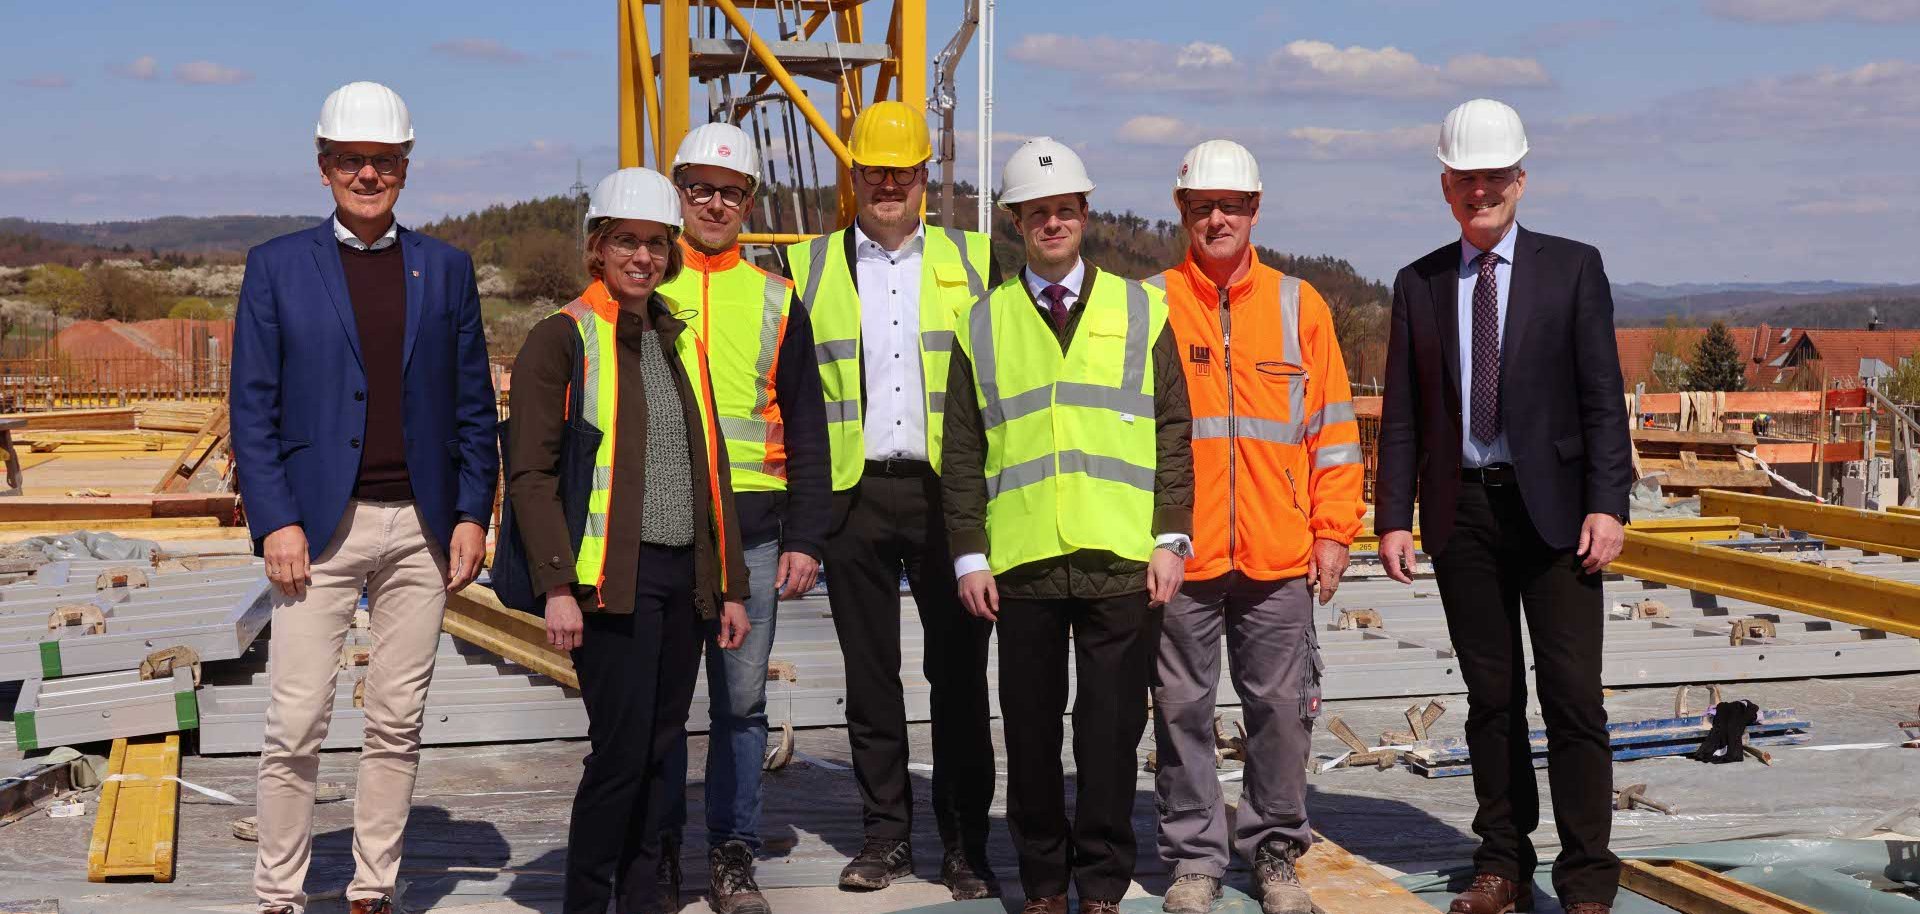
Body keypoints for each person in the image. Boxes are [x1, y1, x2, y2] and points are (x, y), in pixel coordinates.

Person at [231, 80, 498, 914]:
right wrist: (275, 520)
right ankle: (279, 894)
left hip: (420, 528)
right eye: (351, 160)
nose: (368, 175)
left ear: (406, 167)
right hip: (317, 531)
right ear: (324, 166)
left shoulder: (445, 269)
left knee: (396, 720)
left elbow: (472, 406)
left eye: (384, 160)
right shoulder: (277, 268)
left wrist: (472, 513)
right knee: (295, 722)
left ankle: (372, 888)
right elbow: (252, 407)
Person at [1376, 99, 1632, 914]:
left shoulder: (1573, 269)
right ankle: (1502, 864)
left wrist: (1608, 502)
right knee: (1492, 700)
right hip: (1464, 515)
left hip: (1557, 517)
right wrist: (1393, 516)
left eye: (1494, 177)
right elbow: (1403, 413)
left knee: (1573, 698)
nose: (1480, 191)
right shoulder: (1418, 284)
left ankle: (1587, 878)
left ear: (1521, 179)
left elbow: (1603, 398)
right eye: (1466, 179)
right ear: (1445, 188)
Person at [943, 137, 1194, 914]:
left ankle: (1102, 884)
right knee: (1030, 733)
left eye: (1063, 209)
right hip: (1022, 562)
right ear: (1016, 223)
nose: (1051, 223)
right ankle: (1045, 885)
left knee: (1111, 734)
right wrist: (968, 554)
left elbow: (1173, 431)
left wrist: (1170, 537)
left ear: (1084, 214)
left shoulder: (1141, 309)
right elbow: (962, 450)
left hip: (1121, 555)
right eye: (1036, 212)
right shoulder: (982, 324)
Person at [505, 167, 751, 914]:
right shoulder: (562, 339)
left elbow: (713, 469)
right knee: (620, 755)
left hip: (683, 579)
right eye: (626, 242)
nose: (642, 256)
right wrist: (556, 585)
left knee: (663, 750)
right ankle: (587, 903)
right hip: (610, 583)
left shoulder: (678, 338)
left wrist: (730, 585)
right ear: (598, 248)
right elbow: (530, 474)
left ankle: (643, 899)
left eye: (655, 242)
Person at [782, 100, 1000, 899]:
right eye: (874, 172)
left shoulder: (976, 260)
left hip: (950, 497)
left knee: (960, 677)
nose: (887, 186)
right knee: (870, 679)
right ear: (855, 177)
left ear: (923, 178)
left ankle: (964, 844)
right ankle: (885, 838)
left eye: (901, 174)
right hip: (854, 496)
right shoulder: (808, 267)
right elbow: (792, 396)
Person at [1147, 140, 1365, 914]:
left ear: (1255, 210)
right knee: (1181, 711)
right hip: (1182, 553)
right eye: (1202, 206)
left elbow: (1334, 433)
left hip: (1278, 553)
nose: (1217, 219)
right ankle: (1195, 859)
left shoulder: (1299, 306)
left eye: (1231, 205)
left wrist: (1334, 531)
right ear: (1182, 212)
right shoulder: (1148, 304)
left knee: (1281, 710)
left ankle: (1274, 850)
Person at [654, 122, 830, 914]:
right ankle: (658, 854)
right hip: (661, 531)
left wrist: (806, 537)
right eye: (701, 189)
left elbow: (808, 425)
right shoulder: (643, 285)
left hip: (754, 536)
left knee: (742, 706)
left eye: (730, 192)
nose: (715, 204)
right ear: (678, 193)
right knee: (658, 709)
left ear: (750, 201)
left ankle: (733, 854)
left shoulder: (777, 298)